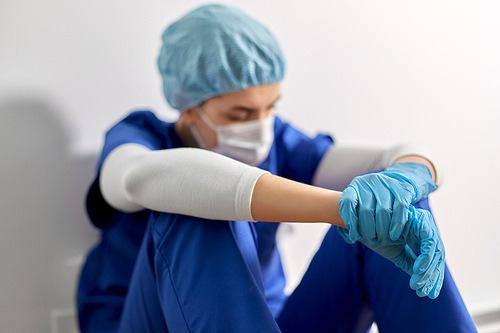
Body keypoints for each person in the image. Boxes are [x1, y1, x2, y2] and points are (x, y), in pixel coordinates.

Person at [77, 4, 476, 333]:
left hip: (271, 322)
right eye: (240, 112)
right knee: (194, 200)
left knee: (395, 204)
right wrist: (340, 210)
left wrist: (405, 180)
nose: (262, 126)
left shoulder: (279, 142)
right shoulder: (141, 136)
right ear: (188, 105)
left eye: (271, 107)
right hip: (151, 323)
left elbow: (400, 155)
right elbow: (135, 178)